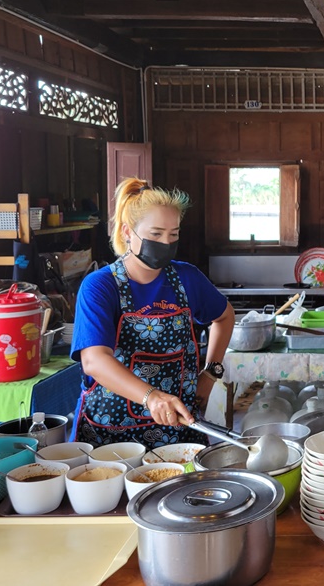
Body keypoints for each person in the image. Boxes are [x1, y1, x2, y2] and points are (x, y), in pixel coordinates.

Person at [70, 177, 235, 448]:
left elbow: (225, 316)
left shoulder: (187, 279)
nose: (166, 243)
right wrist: (151, 397)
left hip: (179, 430)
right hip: (111, 437)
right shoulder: (100, 286)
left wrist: (211, 373)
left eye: (174, 234)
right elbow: (95, 361)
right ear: (127, 232)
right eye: (156, 234)